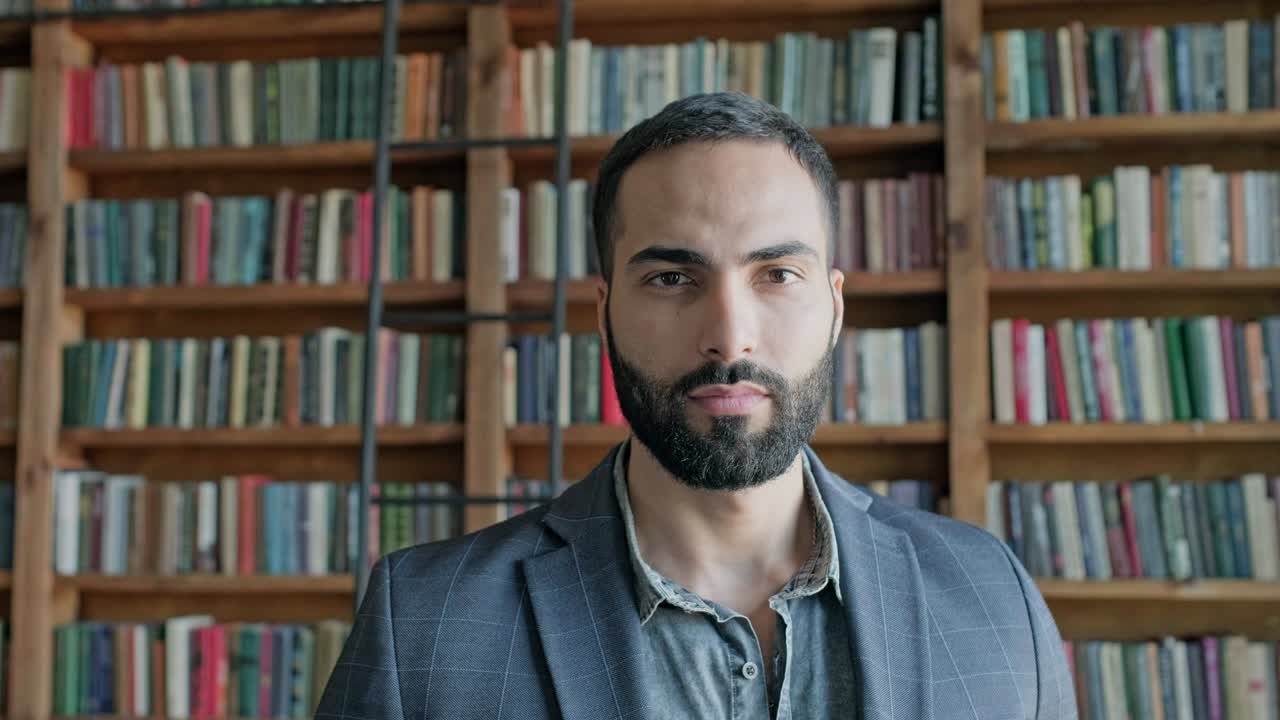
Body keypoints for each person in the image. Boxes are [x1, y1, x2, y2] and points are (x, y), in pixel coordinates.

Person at [315, 91, 1077, 720]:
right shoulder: (424, 627)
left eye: (777, 274)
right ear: (604, 311)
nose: (729, 335)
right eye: (673, 279)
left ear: (835, 306)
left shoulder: (993, 594)